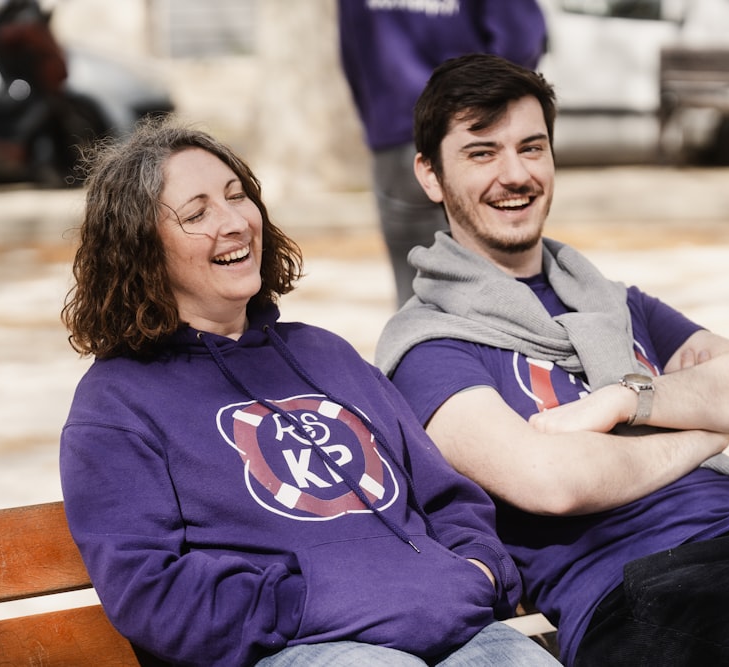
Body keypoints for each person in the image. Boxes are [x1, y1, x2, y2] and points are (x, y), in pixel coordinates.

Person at [375, 53, 729, 666]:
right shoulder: (429, 347)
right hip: (636, 586)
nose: (515, 173)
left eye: (532, 147)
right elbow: (552, 481)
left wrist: (627, 400)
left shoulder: (609, 300)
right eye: (482, 152)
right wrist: (705, 431)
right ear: (429, 174)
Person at [59, 116, 561, 666]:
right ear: (141, 248)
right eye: (197, 213)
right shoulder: (116, 403)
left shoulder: (326, 355)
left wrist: (478, 572)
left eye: (237, 196)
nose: (233, 223)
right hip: (293, 647)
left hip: (449, 623)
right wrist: (310, 603)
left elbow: (447, 498)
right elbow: (149, 588)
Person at [336, 0, 546, 307]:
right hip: (477, 139)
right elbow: (521, 38)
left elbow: (352, 51)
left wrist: (380, 122)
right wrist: (496, 122)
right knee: (501, 280)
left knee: (416, 292)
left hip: (397, 136)